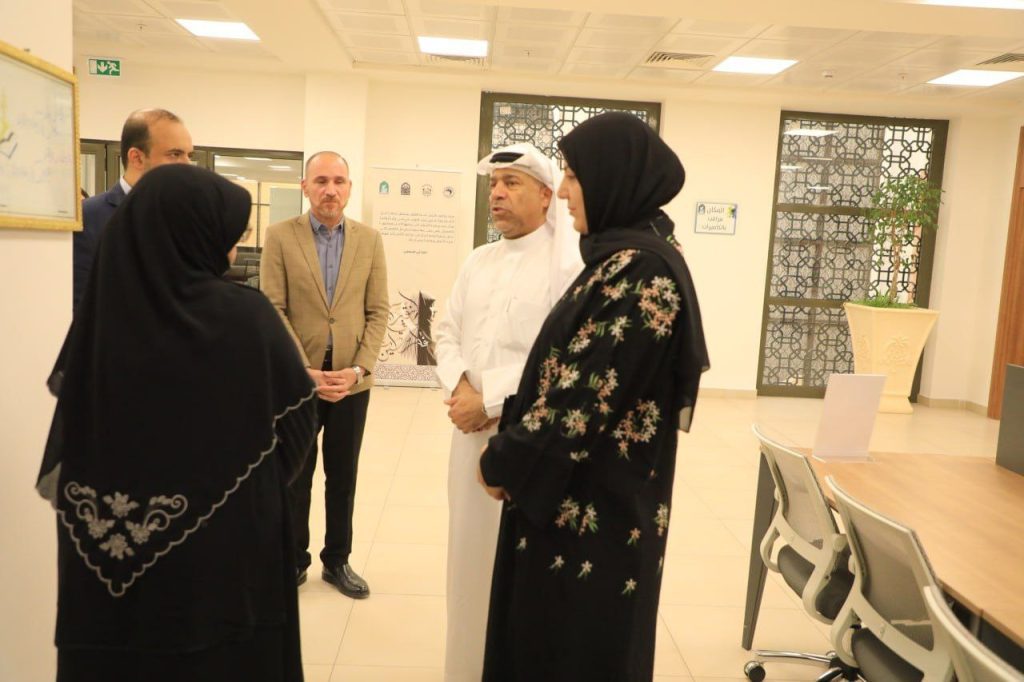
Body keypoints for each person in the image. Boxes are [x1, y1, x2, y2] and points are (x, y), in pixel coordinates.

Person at [37, 164, 317, 682]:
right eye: (228, 239)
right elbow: (297, 429)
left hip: (108, 574)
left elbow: (73, 438)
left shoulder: (99, 322)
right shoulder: (245, 317)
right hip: (224, 571)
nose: (232, 252)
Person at [477, 112, 710, 681]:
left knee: (573, 649)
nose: (565, 192)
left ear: (614, 179)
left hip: (594, 517)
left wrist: (503, 458)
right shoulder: (623, 255)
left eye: (575, 177)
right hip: (585, 501)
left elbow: (581, 400)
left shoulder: (642, 271)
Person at [436, 143, 582, 682]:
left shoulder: (567, 267)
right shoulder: (479, 259)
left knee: (518, 570)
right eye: (494, 183)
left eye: (512, 183)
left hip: (528, 438)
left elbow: (563, 356)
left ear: (547, 196)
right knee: (468, 563)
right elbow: (445, 332)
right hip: (468, 433)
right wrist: (458, 387)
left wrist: (489, 397)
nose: (496, 193)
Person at [260, 150, 389, 599]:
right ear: (305, 187)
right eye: (321, 181)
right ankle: (293, 560)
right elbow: (272, 307)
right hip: (298, 384)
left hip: (352, 384)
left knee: (343, 475)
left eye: (338, 181)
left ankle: (338, 562)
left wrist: (358, 369)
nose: (330, 189)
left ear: (350, 187)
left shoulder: (370, 241)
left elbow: (378, 310)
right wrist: (304, 371)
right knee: (296, 472)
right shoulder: (279, 236)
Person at [73, 108, 193, 310]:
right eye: (175, 154)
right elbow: (82, 307)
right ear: (136, 158)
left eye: (189, 155)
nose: (187, 165)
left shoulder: (188, 220)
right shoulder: (89, 218)